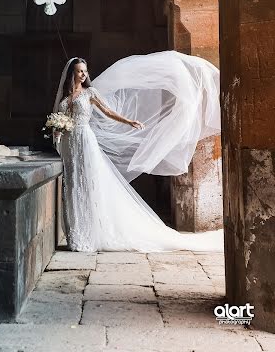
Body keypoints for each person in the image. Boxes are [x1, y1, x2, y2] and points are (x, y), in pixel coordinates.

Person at [52, 54, 224, 253]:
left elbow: (108, 112)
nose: (83, 74)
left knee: (88, 183)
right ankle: (77, 234)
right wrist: (57, 129)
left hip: (84, 140)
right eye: (79, 71)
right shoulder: (65, 98)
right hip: (69, 143)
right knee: (72, 184)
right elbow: (61, 118)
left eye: (84, 71)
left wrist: (128, 121)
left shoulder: (90, 93)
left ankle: (91, 234)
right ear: (72, 73)